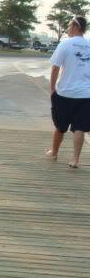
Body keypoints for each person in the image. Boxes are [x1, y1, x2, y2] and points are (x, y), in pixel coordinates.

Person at [45, 15, 90, 168]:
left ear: (76, 27)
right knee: (80, 127)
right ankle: (75, 160)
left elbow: (55, 67)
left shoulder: (65, 44)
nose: (68, 29)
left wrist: (52, 89)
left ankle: (54, 152)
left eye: (70, 25)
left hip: (66, 93)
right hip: (86, 94)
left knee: (60, 125)